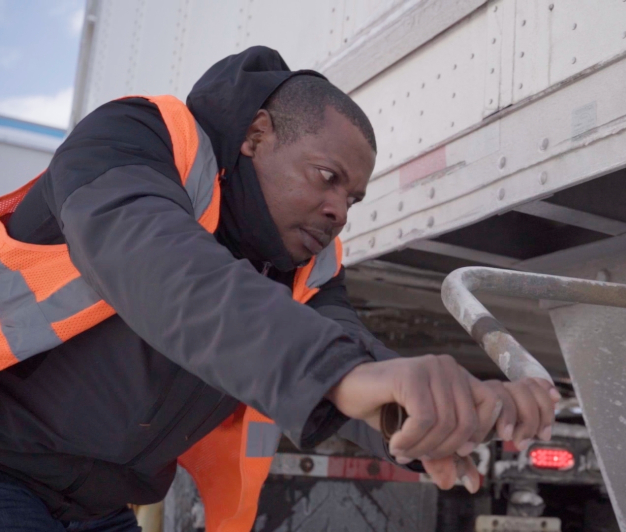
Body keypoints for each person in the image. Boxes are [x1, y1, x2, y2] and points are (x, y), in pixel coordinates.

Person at [0, 46, 558, 531]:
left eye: (353, 199)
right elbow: (155, 259)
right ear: (256, 135)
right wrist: (339, 372)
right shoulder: (132, 139)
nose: (340, 210)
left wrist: (446, 415)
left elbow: (349, 351)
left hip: (93, 507)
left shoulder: (302, 263)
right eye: (327, 177)